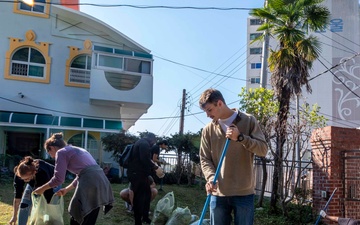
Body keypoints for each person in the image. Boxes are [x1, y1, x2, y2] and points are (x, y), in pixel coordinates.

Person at [198, 88, 268, 225]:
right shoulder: (208, 129)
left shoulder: (248, 121)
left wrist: (240, 138)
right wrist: (211, 177)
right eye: (205, 111)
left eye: (209, 110)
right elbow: (205, 158)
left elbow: (263, 150)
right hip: (218, 193)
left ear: (219, 103)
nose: (207, 115)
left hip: (243, 192)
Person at [33, 132, 114, 225]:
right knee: (90, 215)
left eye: (49, 153)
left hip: (90, 181)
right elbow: (81, 174)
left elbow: (58, 179)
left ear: (51, 148)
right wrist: (67, 189)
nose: (51, 156)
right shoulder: (77, 149)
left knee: (77, 211)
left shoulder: (61, 152)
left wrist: (41, 189)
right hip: (101, 180)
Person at [8, 156, 59, 225]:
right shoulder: (19, 175)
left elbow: (48, 199)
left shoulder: (42, 175)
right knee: (24, 205)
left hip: (53, 181)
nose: (24, 181)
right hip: (33, 183)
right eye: (23, 179)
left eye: (26, 179)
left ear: (34, 173)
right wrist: (14, 216)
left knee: (47, 208)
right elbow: (17, 197)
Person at [127, 132, 164, 225]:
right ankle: (138, 221)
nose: (153, 143)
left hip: (141, 174)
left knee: (147, 196)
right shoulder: (144, 144)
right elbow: (145, 159)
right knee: (139, 198)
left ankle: (145, 217)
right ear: (152, 139)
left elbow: (144, 159)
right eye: (154, 141)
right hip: (137, 175)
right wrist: (156, 167)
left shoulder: (140, 142)